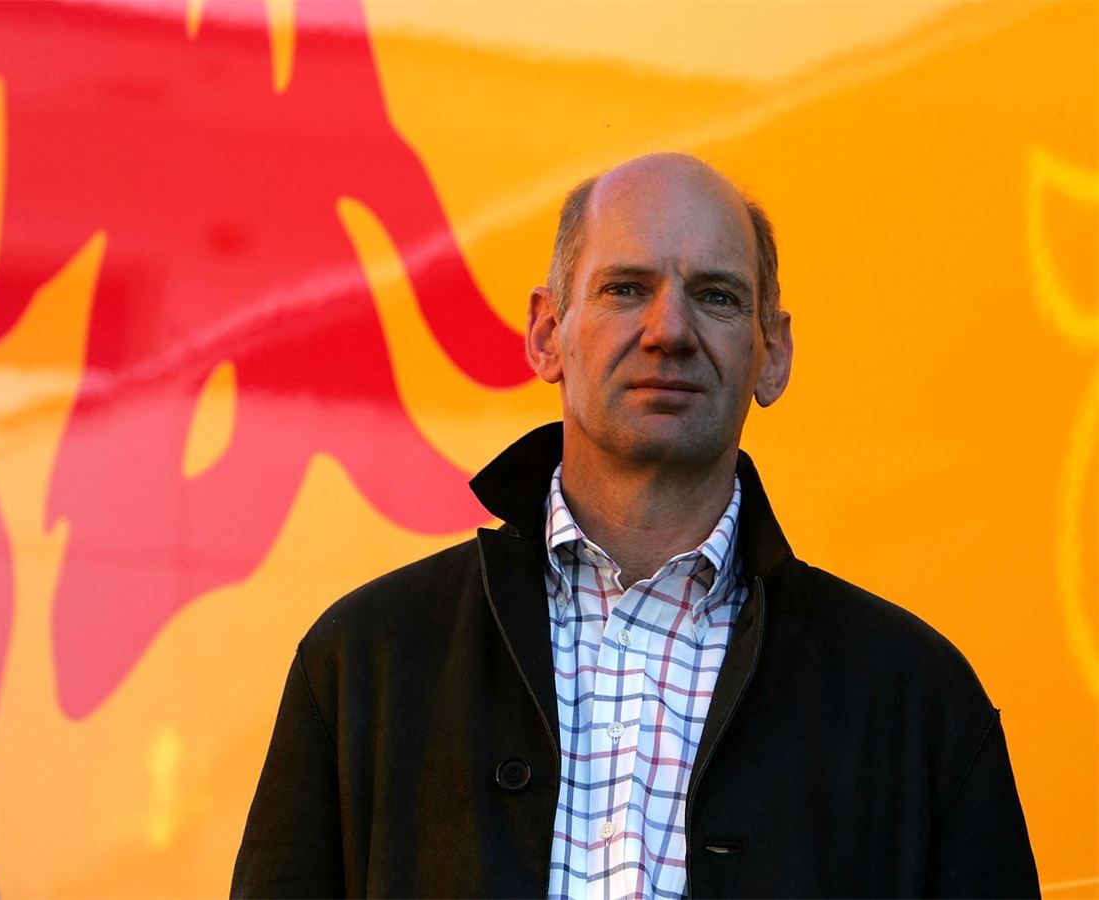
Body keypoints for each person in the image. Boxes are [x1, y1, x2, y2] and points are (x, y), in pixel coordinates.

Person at [231, 153, 1039, 898]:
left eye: (716, 296)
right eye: (625, 289)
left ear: (773, 354)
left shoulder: (920, 703)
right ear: (546, 334)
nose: (669, 331)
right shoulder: (362, 663)